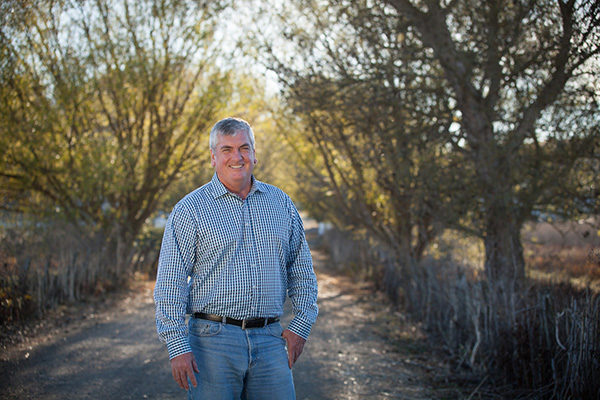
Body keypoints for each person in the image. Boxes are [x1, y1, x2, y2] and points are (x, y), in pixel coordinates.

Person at [154, 117, 318, 399]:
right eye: (227, 149)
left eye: (244, 147)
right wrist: (177, 346)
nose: (237, 156)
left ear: (254, 153)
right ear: (213, 156)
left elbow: (301, 271)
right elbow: (171, 283)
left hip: (269, 340)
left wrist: (301, 325)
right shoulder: (190, 210)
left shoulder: (281, 204)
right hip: (211, 343)